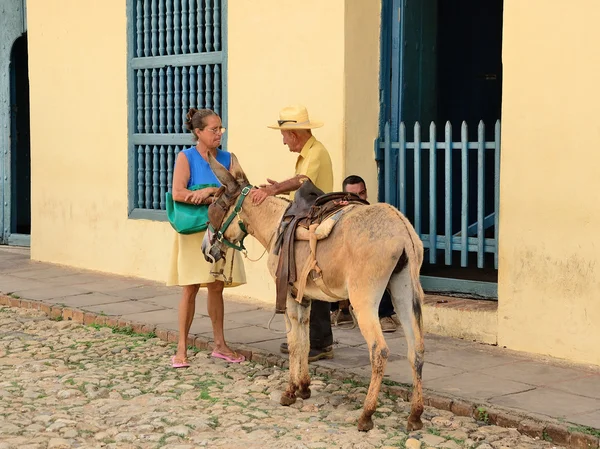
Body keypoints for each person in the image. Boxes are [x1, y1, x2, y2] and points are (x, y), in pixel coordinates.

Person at [251, 105, 335, 362]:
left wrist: (274, 190)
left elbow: (302, 182)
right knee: (307, 275)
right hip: (307, 216)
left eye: (285, 135)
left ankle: (319, 341)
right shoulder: (308, 152)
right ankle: (312, 338)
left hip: (316, 219)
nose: (284, 141)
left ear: (294, 134)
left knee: (312, 274)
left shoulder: (316, 152)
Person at [167, 108, 247, 368]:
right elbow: (177, 193)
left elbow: (242, 190)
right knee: (190, 287)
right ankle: (181, 348)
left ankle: (220, 344)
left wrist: (212, 191)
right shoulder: (186, 157)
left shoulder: (228, 158)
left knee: (216, 286)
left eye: (220, 128)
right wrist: (198, 194)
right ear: (198, 132)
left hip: (221, 229)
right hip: (195, 230)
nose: (218, 133)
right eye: (213, 129)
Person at [331, 175, 400, 333]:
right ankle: (340, 310)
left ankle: (384, 315)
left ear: (366, 193)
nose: (359, 199)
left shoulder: (375, 214)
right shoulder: (338, 214)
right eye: (353, 196)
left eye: (361, 194)